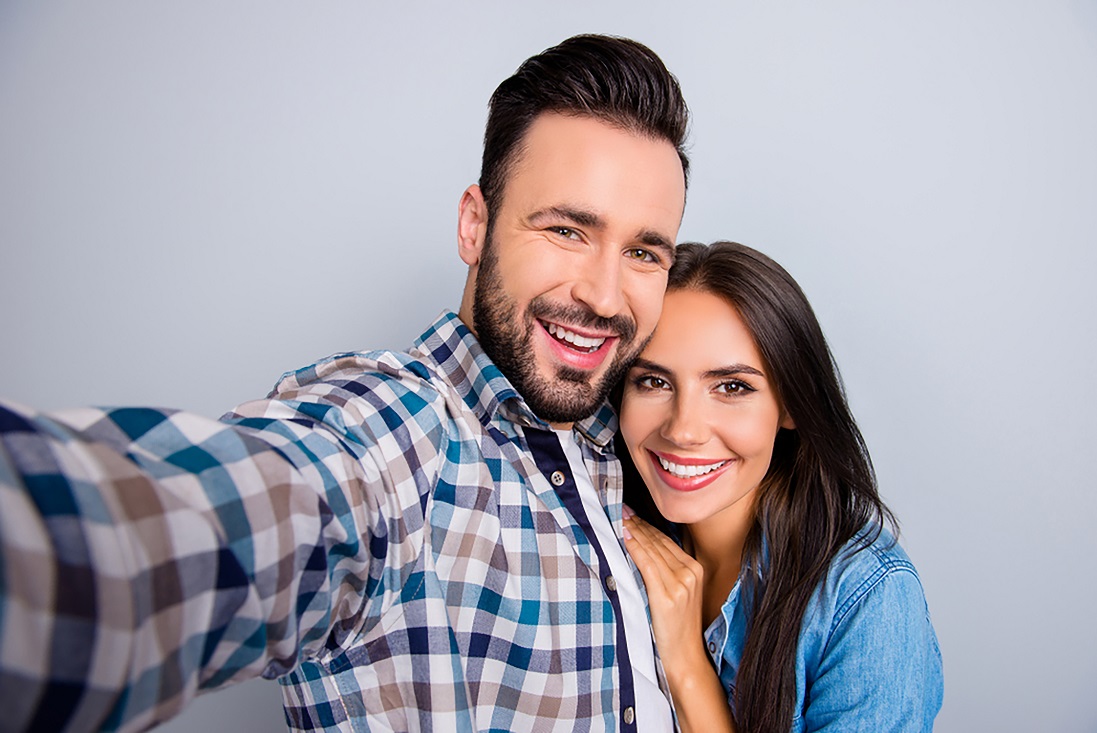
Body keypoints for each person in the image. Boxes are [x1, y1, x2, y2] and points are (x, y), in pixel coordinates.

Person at [0, 35, 690, 732]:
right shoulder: (405, 430)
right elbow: (227, 518)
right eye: (568, 230)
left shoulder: (634, 442)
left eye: (642, 251)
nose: (604, 295)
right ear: (475, 225)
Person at [617, 241, 943, 732]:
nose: (683, 429)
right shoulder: (606, 535)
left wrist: (687, 667)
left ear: (790, 406)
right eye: (654, 382)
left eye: (731, 387)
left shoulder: (867, 600)